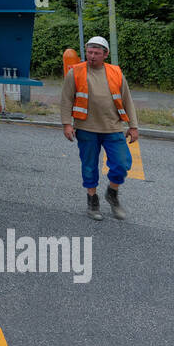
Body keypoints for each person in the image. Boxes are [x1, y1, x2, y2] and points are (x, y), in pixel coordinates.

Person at [60, 36, 139, 220]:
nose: (92, 56)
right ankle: (92, 199)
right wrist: (66, 124)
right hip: (86, 129)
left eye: (96, 53)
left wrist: (133, 126)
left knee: (121, 164)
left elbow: (127, 100)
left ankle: (112, 193)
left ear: (105, 54)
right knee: (89, 166)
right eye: (89, 52)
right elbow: (66, 100)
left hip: (112, 128)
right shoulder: (76, 72)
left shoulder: (116, 73)